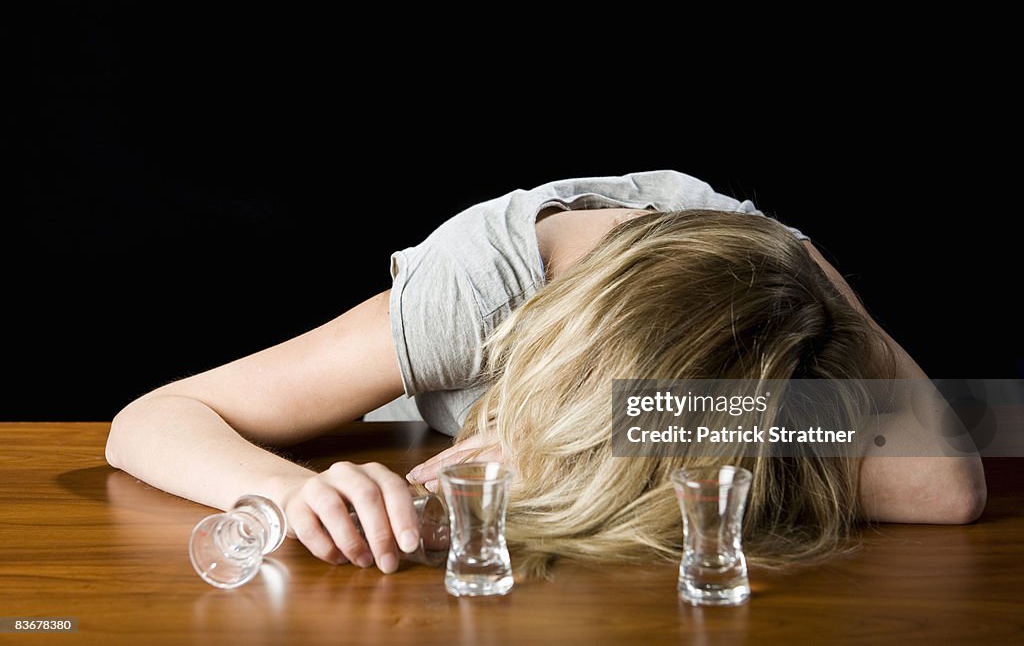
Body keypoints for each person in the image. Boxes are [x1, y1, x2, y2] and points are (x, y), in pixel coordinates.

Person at [104, 170, 986, 577]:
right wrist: (288, 490)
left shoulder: (783, 289)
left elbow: (946, 486)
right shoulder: (480, 286)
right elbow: (153, 416)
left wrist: (821, 282)